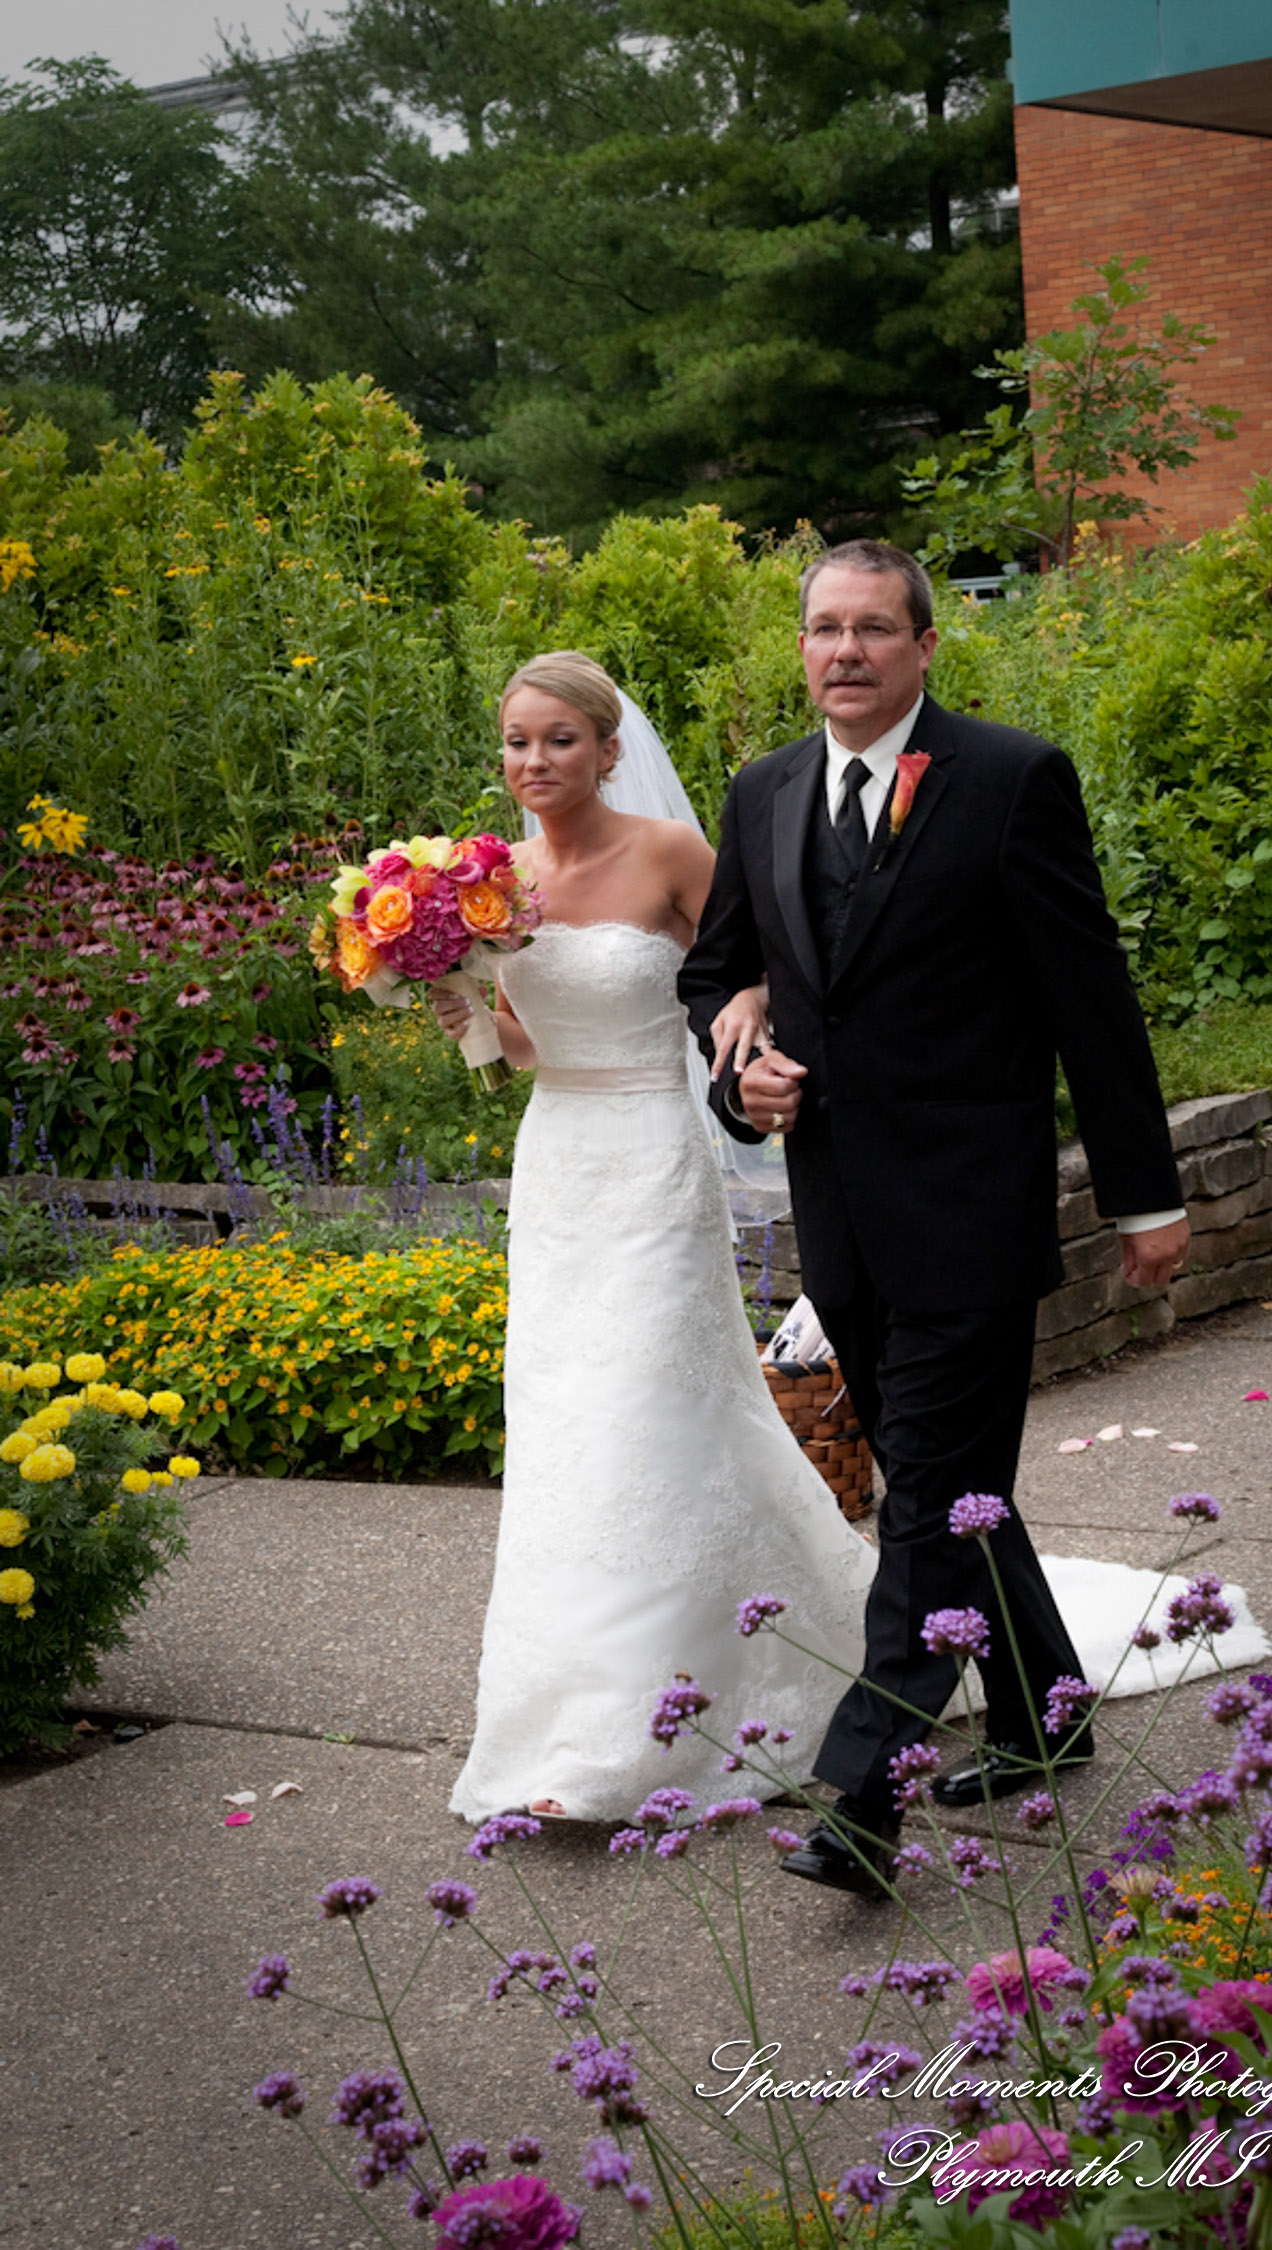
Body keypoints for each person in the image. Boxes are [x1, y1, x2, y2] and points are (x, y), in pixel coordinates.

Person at [679, 540, 1190, 1895]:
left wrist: (1147, 1194)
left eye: (872, 629)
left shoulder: (1012, 780)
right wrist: (745, 1066)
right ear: (802, 649)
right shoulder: (764, 789)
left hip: (971, 1200)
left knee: (918, 1516)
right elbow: (721, 973)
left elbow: (1092, 1002)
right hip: (840, 1205)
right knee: (947, 1483)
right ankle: (1043, 1709)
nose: (844, 651)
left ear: (922, 645)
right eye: (823, 630)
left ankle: (865, 1790)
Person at [433, 650, 878, 1824]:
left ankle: (673, 1714)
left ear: (609, 747)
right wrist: (468, 1020)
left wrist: (747, 1011)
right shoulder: (489, 886)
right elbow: (530, 1049)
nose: (536, 761)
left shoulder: (671, 853)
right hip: (560, 1166)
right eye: (518, 742)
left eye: (560, 740)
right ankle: (569, 1722)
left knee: (647, 1404)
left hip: (652, 1158)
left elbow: (779, 964)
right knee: (569, 1423)